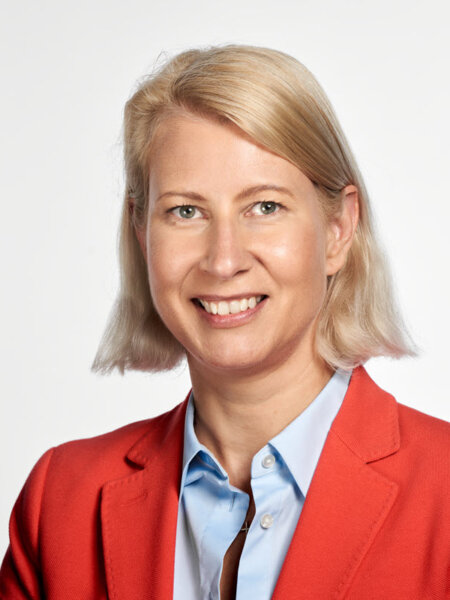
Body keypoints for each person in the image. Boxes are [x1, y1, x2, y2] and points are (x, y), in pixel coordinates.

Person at [1, 44, 449, 600]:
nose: (223, 260)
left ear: (338, 229)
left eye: (265, 207)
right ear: (142, 233)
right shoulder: (62, 502)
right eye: (185, 211)